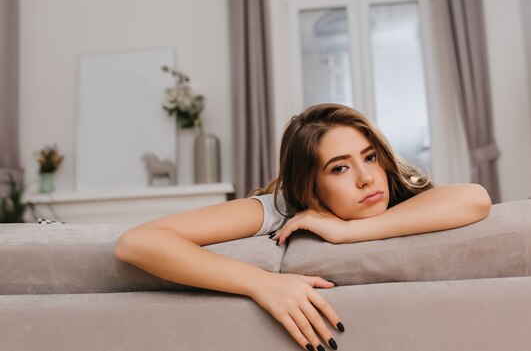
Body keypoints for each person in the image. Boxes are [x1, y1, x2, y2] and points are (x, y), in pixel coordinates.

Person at [115, 103, 491, 351]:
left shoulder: (393, 191)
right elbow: (138, 243)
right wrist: (261, 283)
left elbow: (475, 198)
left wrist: (347, 232)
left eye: (370, 157)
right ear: (309, 186)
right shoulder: (282, 207)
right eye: (340, 167)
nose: (365, 178)